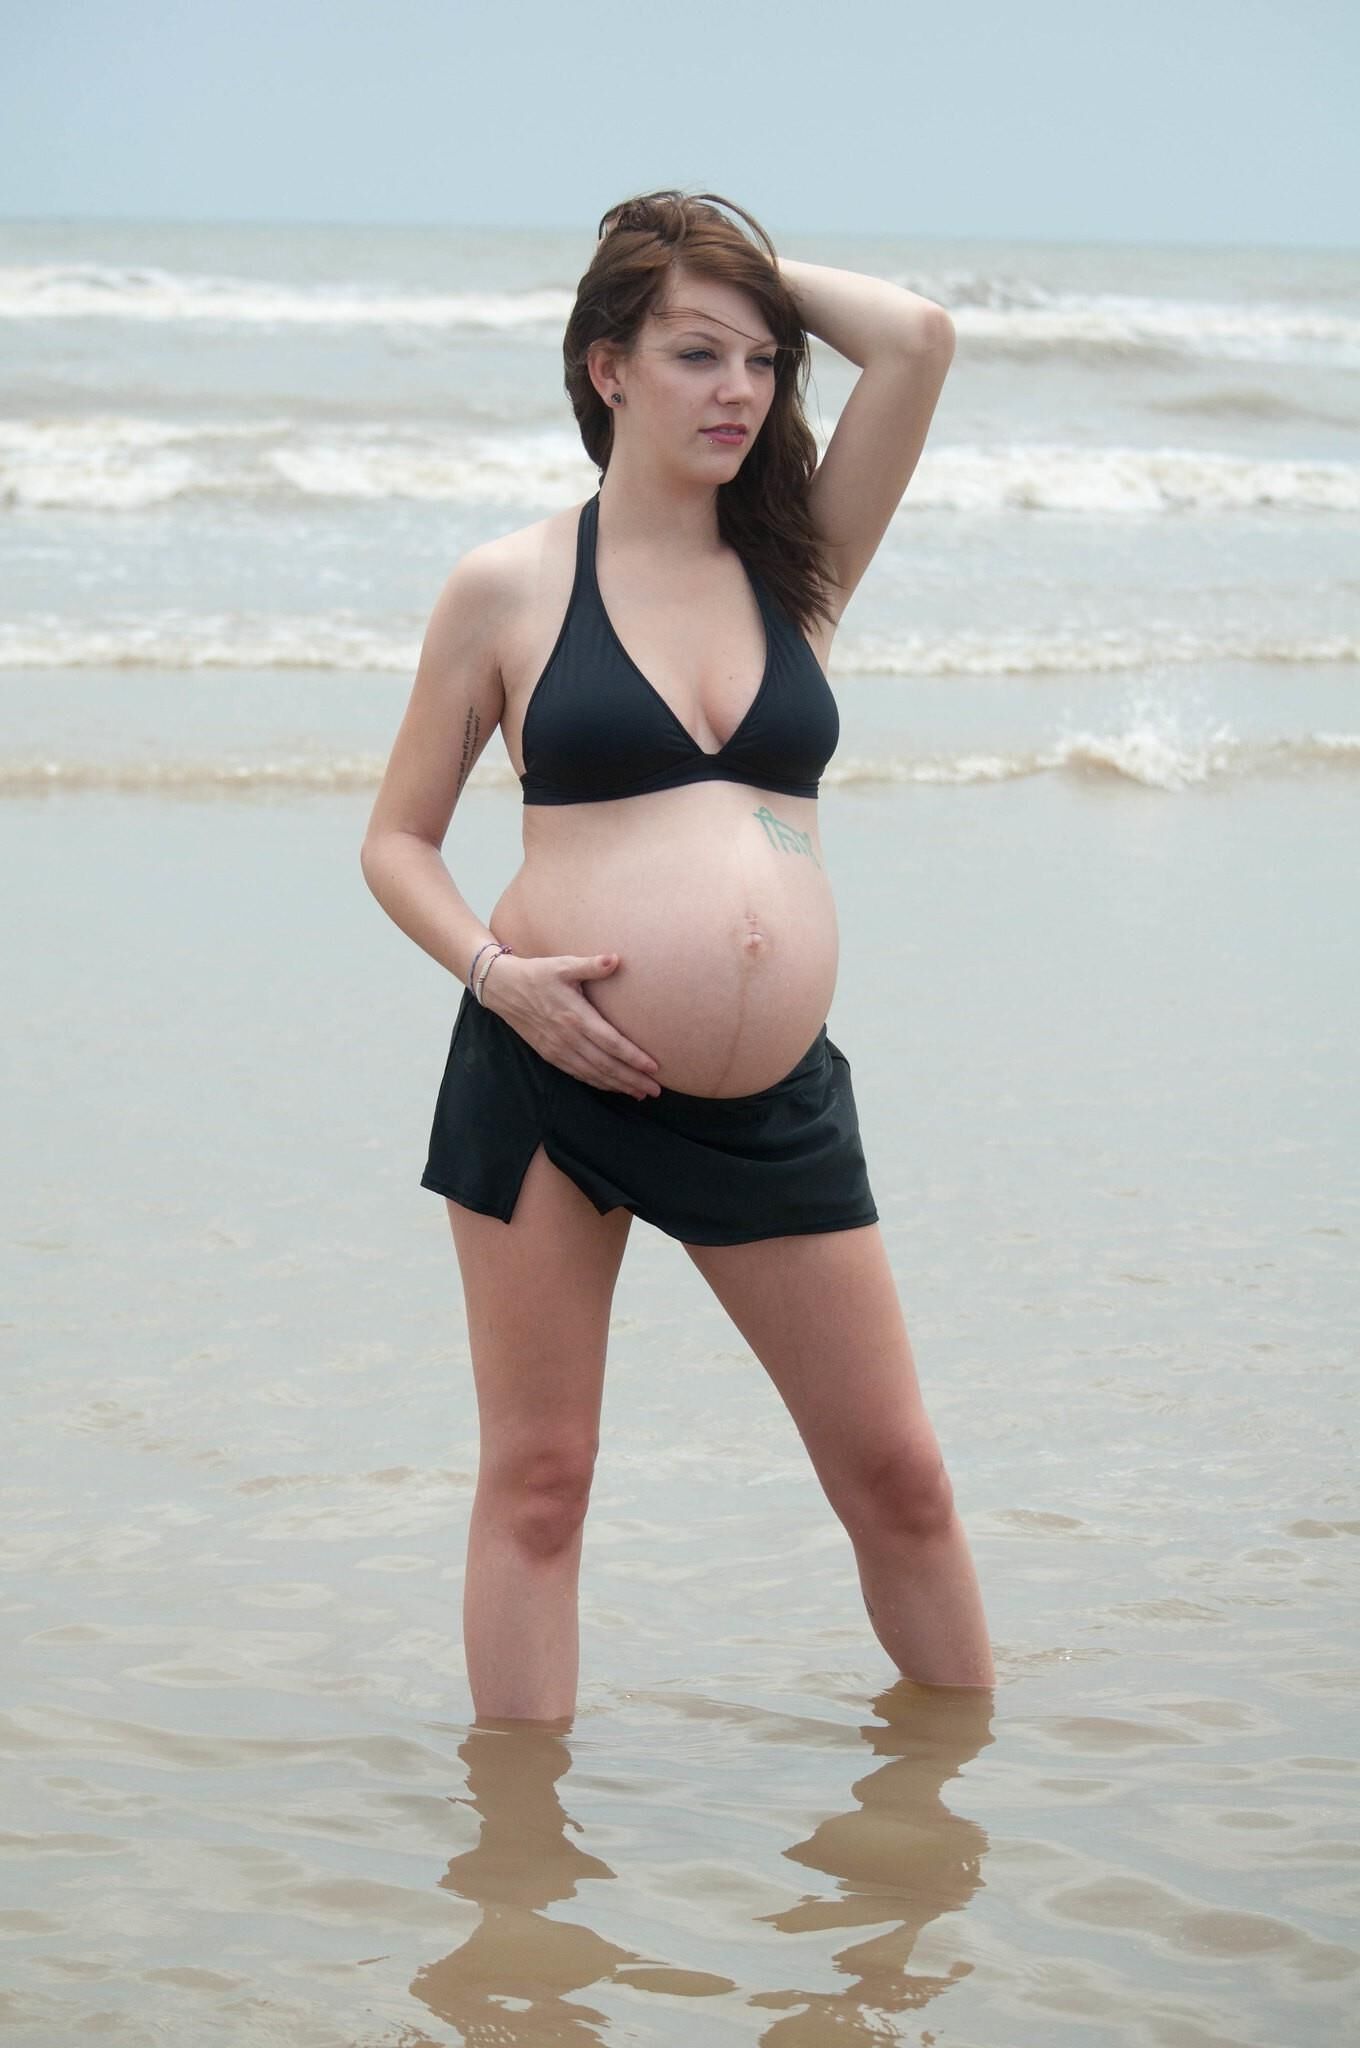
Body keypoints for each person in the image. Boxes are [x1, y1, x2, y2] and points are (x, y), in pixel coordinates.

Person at [360, 189, 993, 1723]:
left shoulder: (801, 567)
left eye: (764, 361)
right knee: (540, 1483)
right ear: (607, 370)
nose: (740, 392)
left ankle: (961, 1826)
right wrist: (498, 980)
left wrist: (730, 262)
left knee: (899, 1478)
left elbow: (914, 340)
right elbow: (398, 842)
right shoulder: (509, 588)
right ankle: (520, 1881)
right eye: (696, 355)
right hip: (547, 1080)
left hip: (768, 1106)